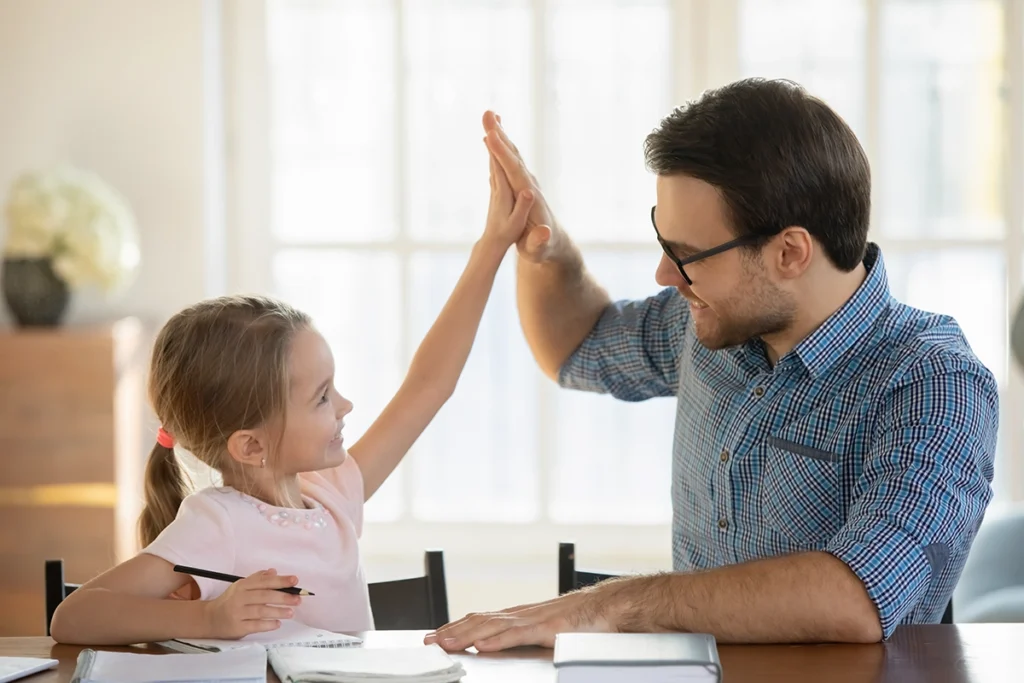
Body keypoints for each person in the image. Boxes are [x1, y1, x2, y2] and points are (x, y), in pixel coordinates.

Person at [425, 78, 999, 651]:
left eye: (689, 256)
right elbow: (576, 346)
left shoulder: (932, 381)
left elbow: (859, 597)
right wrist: (545, 247)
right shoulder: (707, 324)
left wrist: (608, 606)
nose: (665, 275)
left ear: (790, 252)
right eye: (664, 241)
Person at [49, 154, 537, 645]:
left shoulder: (333, 492)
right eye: (322, 397)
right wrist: (209, 619)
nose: (345, 406)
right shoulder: (217, 522)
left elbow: (429, 385)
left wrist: (492, 245)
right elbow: (72, 618)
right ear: (251, 446)